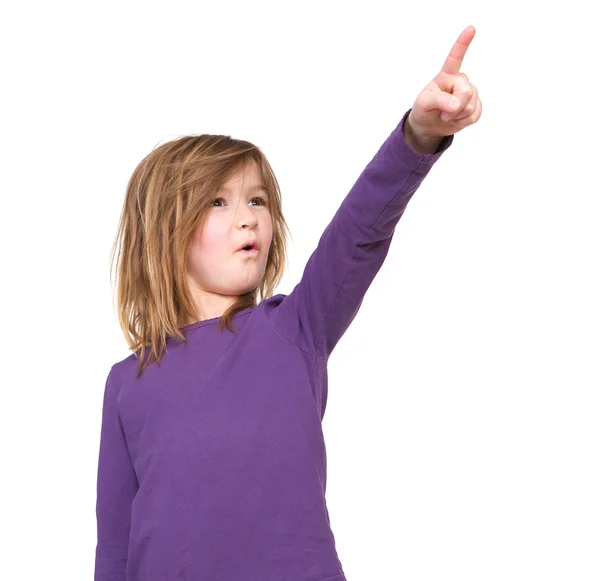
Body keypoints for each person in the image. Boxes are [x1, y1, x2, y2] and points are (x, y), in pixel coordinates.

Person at [94, 25, 483, 581]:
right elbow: (114, 550)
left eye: (257, 199)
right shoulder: (126, 382)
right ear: (164, 230)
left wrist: (417, 137)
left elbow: (360, 233)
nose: (248, 217)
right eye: (219, 202)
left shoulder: (294, 329)